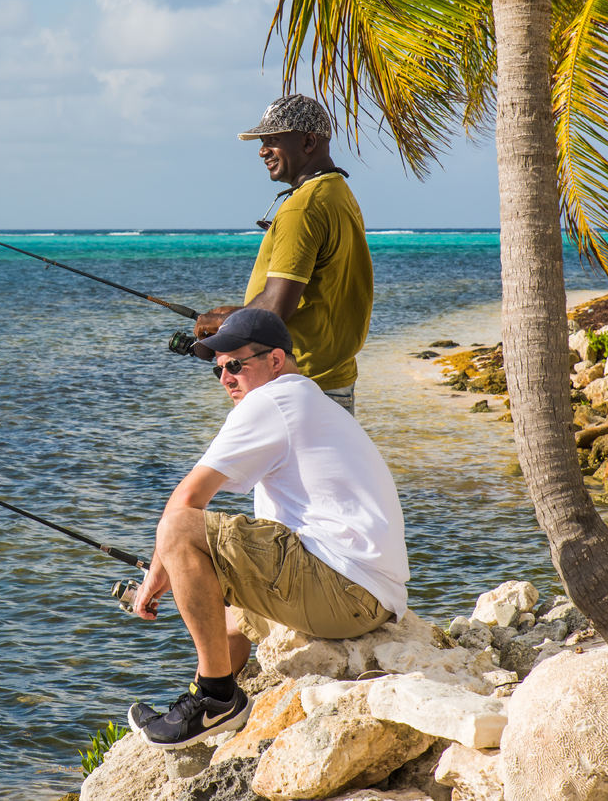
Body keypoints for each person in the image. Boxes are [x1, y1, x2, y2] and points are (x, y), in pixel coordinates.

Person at [127, 307, 409, 749]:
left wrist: (156, 575)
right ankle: (208, 707)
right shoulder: (309, 400)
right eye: (218, 369)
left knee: (180, 529)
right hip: (366, 597)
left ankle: (217, 700)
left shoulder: (273, 400)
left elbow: (185, 502)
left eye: (235, 365)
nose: (225, 378)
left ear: (276, 361)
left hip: (346, 589)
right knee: (223, 613)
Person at [194, 94, 373, 415]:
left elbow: (275, 308)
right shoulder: (337, 192)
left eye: (273, 140)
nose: (262, 150)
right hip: (330, 379)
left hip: (298, 384)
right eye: (262, 141)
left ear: (307, 142)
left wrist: (222, 323)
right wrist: (236, 312)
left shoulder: (303, 207)